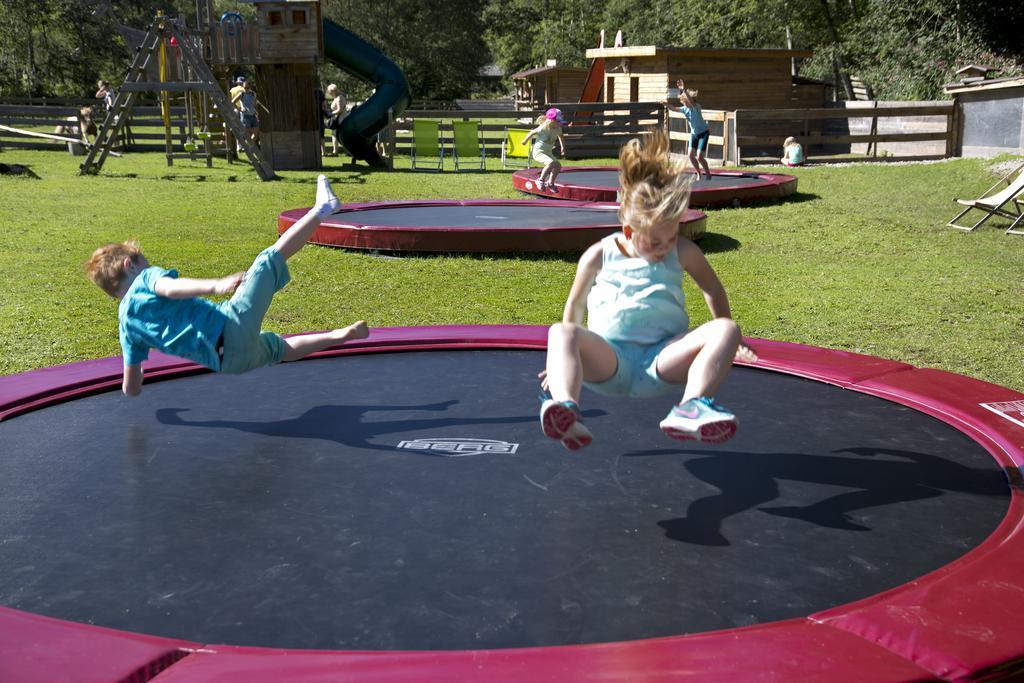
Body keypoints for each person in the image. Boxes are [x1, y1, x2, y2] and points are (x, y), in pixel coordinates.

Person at [539, 129, 754, 451]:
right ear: (629, 229)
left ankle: (691, 406)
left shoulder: (682, 250)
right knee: (561, 332)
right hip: (610, 362)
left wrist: (731, 342)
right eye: (654, 242)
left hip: (663, 359)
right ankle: (567, 409)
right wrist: (563, 363)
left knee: (727, 328)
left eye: (669, 239)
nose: (663, 248)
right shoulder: (600, 253)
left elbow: (713, 289)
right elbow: (575, 306)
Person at [84, 176, 368, 397]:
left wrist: (139, 383)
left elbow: (130, 387)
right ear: (128, 266)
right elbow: (170, 288)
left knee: (280, 348)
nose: (147, 265)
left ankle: (339, 336)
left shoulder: (126, 326)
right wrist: (216, 285)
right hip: (230, 326)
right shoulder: (145, 280)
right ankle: (324, 208)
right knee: (268, 259)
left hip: (230, 362)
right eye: (143, 261)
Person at [667, 79, 711, 181]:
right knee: (690, 155)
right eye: (683, 101)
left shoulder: (696, 106)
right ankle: (699, 173)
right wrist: (665, 104)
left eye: (686, 101)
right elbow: (673, 108)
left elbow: (690, 101)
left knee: (700, 156)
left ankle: (708, 173)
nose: (685, 103)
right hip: (694, 134)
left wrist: (683, 90)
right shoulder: (684, 109)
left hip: (704, 132)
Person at [522, 108, 566, 192]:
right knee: (551, 163)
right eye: (558, 122)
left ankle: (550, 183)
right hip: (538, 152)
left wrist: (562, 147)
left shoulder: (558, 129)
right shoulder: (543, 128)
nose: (559, 124)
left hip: (547, 152)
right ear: (551, 121)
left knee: (558, 165)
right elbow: (531, 132)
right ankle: (540, 180)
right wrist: (525, 141)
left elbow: (561, 137)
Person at [231, 78, 261, 150]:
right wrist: (240, 109)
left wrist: (256, 111)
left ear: (250, 87)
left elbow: (255, 104)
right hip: (245, 116)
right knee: (246, 133)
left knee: (256, 132)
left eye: (247, 88)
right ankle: (245, 146)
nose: (246, 89)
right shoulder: (242, 94)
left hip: (253, 115)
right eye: (244, 88)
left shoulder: (253, 94)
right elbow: (233, 102)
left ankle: (248, 146)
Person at [325, 84, 347, 156]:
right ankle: (336, 151)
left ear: (333, 91)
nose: (330, 94)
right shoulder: (337, 97)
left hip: (340, 120)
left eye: (330, 92)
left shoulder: (339, 98)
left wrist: (330, 113)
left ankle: (336, 152)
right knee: (335, 135)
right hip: (338, 119)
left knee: (336, 135)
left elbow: (339, 109)